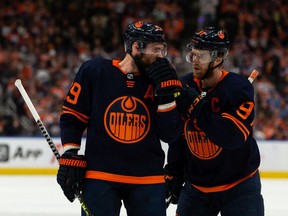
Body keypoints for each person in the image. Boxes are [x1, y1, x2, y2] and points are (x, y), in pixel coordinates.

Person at [56, 20, 183, 216]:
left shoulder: (161, 79)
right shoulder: (95, 71)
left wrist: (167, 96)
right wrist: (70, 153)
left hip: (148, 178)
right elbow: (73, 116)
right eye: (155, 49)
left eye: (162, 49)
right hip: (100, 176)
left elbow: (170, 134)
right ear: (136, 46)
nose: (160, 56)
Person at [164, 27, 265, 215]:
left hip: (239, 186)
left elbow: (231, 137)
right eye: (192, 55)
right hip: (197, 188)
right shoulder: (185, 85)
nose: (194, 61)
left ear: (217, 59)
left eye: (200, 57)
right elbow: (179, 136)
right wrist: (174, 172)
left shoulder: (238, 88)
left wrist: (196, 107)